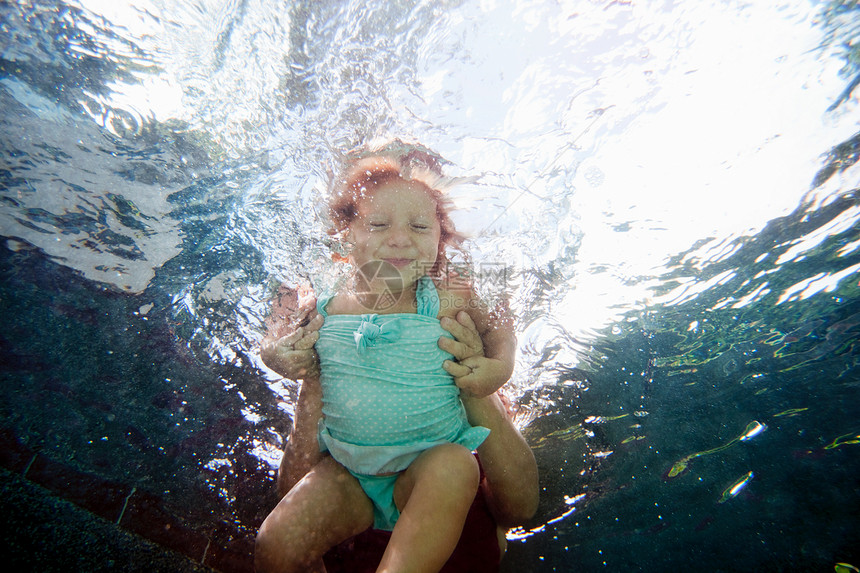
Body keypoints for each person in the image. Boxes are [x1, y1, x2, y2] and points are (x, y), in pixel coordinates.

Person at [255, 141, 539, 573]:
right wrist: (275, 352)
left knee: (454, 466)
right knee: (274, 545)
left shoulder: (445, 293)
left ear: (442, 237)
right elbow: (278, 326)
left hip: (429, 470)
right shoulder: (322, 294)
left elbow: (499, 316)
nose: (400, 239)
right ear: (347, 231)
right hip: (348, 474)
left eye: (421, 228)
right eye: (379, 223)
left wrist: (500, 366)